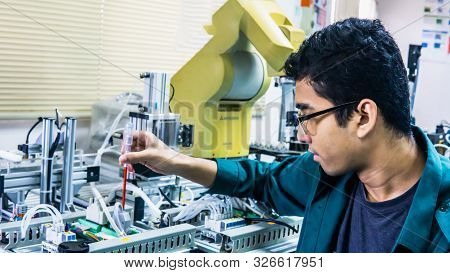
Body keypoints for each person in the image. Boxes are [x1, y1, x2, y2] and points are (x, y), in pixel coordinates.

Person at [119, 18, 449, 253]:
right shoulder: (328, 175)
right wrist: (175, 161)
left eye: (309, 117)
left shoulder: (442, 226)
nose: (304, 135)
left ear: (363, 116)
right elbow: (260, 180)